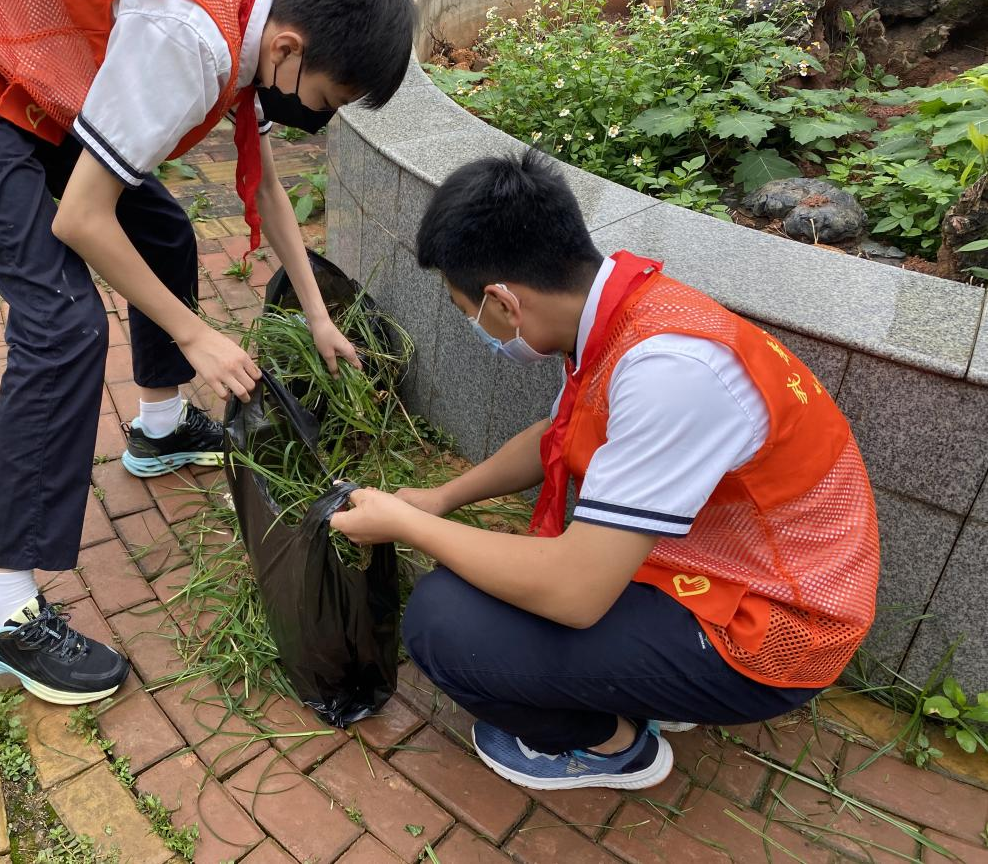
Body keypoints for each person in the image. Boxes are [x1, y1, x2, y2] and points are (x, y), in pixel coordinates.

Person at [0, 0, 416, 705]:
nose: (318, 119)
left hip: (11, 40)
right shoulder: (188, 41)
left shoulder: (254, 16)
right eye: (329, 102)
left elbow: (258, 177)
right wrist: (196, 336)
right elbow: (81, 220)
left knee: (161, 228)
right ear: (291, 48)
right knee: (61, 321)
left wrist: (320, 313)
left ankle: (158, 431)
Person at [330, 150, 879, 791]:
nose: (475, 327)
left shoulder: (669, 373)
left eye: (467, 311)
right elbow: (558, 437)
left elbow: (574, 593)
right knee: (493, 582)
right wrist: (441, 498)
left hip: (778, 629)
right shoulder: (620, 311)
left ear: (504, 302)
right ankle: (653, 678)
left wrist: (406, 525)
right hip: (720, 563)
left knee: (446, 625)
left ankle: (610, 747)